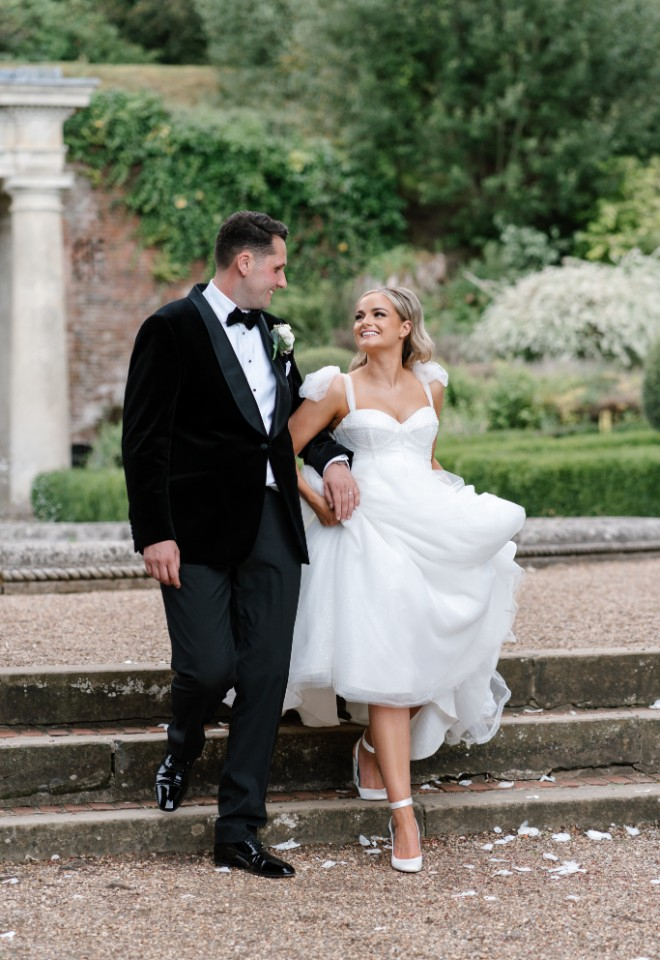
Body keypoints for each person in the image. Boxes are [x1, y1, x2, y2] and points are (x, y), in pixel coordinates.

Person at [121, 210, 357, 878]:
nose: (283, 281)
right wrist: (154, 532)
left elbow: (296, 420)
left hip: (273, 524)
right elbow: (143, 441)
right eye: (278, 266)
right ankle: (183, 743)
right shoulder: (169, 328)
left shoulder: (274, 334)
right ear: (245, 262)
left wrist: (334, 462)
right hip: (192, 531)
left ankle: (238, 829)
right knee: (206, 668)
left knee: (263, 676)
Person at [286, 286, 526, 873]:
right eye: (360, 314)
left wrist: (459, 508)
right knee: (389, 667)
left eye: (378, 314)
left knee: (443, 648)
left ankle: (369, 748)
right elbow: (276, 450)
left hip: (427, 524)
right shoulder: (335, 387)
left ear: (404, 325)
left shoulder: (432, 384)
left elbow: (428, 458)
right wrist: (319, 503)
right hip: (367, 533)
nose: (364, 321)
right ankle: (403, 814)